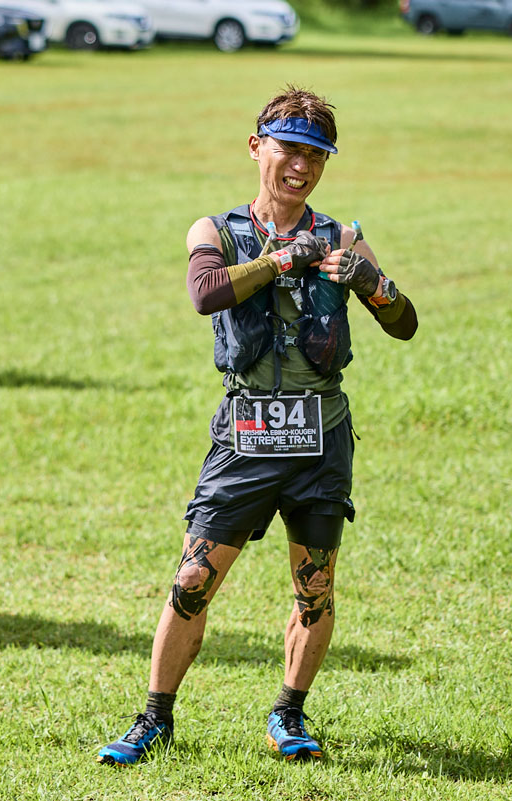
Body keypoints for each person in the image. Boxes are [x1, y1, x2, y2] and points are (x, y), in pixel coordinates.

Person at [96, 85, 417, 765]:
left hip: (320, 437)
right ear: (255, 148)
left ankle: (289, 713)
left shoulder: (342, 236)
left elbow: (404, 324)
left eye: (316, 156)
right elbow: (205, 293)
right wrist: (279, 261)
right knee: (192, 581)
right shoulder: (214, 230)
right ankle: (154, 719)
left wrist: (372, 282)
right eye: (289, 150)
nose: (301, 167)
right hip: (245, 436)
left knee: (314, 587)